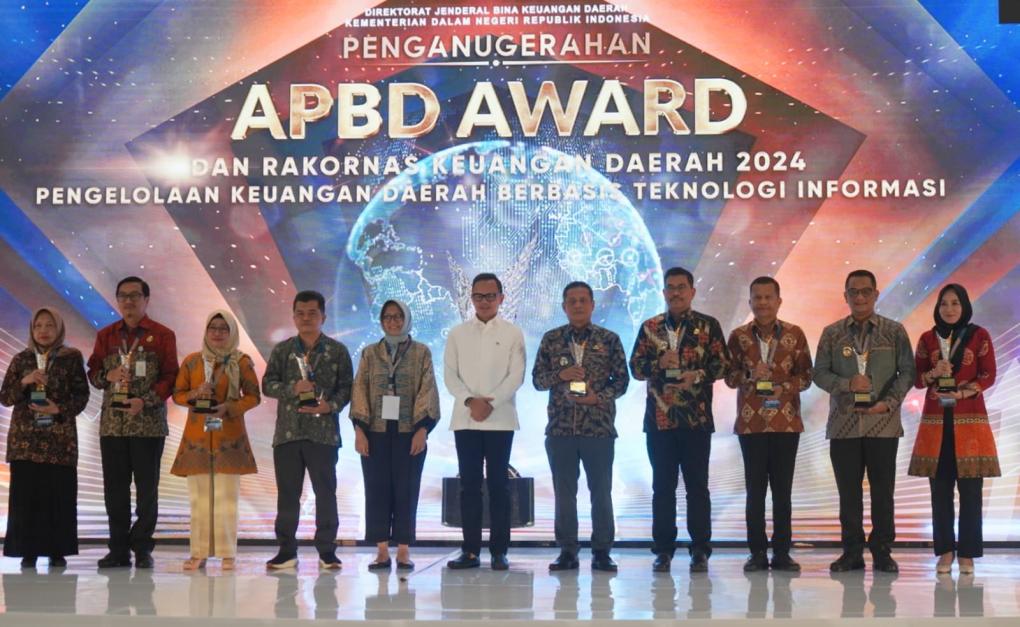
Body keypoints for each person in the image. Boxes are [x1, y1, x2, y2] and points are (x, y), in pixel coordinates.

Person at [813, 269, 914, 573]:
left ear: (876, 294)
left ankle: (882, 551)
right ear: (845, 296)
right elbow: (819, 374)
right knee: (848, 494)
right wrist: (847, 384)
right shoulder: (832, 333)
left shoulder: (894, 331)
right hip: (844, 425)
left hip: (883, 424)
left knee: (883, 493)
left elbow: (908, 372)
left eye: (865, 291)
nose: (859, 297)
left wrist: (888, 403)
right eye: (853, 292)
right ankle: (852, 552)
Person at [629, 266, 728, 573]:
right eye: (670, 288)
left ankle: (700, 549)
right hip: (660, 422)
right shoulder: (650, 327)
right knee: (663, 488)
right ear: (664, 292)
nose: (676, 293)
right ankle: (663, 550)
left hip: (696, 421)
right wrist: (658, 363)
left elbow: (723, 365)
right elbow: (635, 368)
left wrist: (696, 375)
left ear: (692, 291)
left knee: (698, 488)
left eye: (681, 287)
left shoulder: (708, 326)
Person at [532, 281, 629, 572]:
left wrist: (598, 398)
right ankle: (567, 551)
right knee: (564, 494)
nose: (577, 305)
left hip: (598, 429)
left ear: (592, 305)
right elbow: (537, 380)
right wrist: (560, 374)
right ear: (564, 306)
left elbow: (622, 381)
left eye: (583, 300)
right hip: (560, 430)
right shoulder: (551, 339)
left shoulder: (609, 339)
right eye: (572, 301)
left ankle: (602, 552)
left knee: (601, 493)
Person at [87, 276, 179, 569]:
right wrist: (108, 376)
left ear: (146, 300)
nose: (128, 301)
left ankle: (142, 548)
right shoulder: (106, 335)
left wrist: (145, 400)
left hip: (147, 425)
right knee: (114, 490)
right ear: (117, 300)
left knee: (146, 490)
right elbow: (93, 374)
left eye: (135, 295)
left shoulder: (162, 335)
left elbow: (171, 377)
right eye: (123, 296)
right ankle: (117, 549)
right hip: (113, 426)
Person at [908, 284, 999, 575]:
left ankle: (967, 554)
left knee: (971, 493)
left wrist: (963, 392)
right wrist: (933, 373)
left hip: (970, 424)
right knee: (940, 493)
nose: (949, 309)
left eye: (955, 303)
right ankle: (945, 552)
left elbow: (989, 374)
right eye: (944, 303)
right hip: (936, 426)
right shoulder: (927, 338)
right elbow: (917, 379)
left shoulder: (979, 335)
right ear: (938, 307)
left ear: (965, 306)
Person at [724, 277, 813, 572]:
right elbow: (728, 377)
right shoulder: (738, 336)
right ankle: (757, 553)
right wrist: (750, 375)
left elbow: (807, 376)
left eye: (768, 297)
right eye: (757, 297)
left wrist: (783, 387)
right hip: (751, 425)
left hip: (786, 423)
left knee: (782, 492)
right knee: (755, 492)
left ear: (778, 301)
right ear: (750, 301)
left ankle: (782, 553)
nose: (762, 303)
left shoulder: (794, 334)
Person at [262, 290, 353, 570]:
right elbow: (267, 385)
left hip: (323, 433)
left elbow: (347, 388)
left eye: (312, 313)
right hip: (288, 433)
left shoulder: (337, 351)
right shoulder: (283, 350)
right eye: (300, 313)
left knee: (325, 493)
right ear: (293, 317)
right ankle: (286, 550)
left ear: (323, 316)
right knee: (288, 495)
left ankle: (327, 551)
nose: (306, 318)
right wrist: (293, 388)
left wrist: (330, 406)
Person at [444, 273, 526, 571]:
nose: (485, 302)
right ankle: (470, 551)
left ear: (501, 298)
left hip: (500, 418)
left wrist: (490, 402)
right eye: (479, 296)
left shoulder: (513, 333)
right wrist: (470, 401)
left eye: (491, 296)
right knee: (469, 486)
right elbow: (450, 375)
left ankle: (499, 551)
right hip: (466, 419)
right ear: (471, 299)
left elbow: (516, 375)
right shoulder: (457, 334)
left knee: (499, 486)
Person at [350, 300, 440, 571]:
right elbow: (359, 389)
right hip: (374, 433)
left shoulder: (421, 352)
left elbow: (428, 389)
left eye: (399, 316)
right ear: (381, 320)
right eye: (388, 317)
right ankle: (381, 551)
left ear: (407, 319)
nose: (393, 321)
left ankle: (402, 550)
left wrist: (422, 430)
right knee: (376, 490)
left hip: (409, 434)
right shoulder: (370, 353)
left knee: (406, 490)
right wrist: (359, 430)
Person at [170, 310, 260, 570]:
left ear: (232, 332)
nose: (218, 333)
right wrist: (194, 394)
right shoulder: (192, 361)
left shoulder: (242, 362)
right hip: (197, 440)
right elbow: (177, 394)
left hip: (228, 438)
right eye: (213, 328)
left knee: (226, 498)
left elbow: (253, 396)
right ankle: (198, 553)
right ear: (206, 331)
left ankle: (227, 553)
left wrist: (229, 407)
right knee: (198, 499)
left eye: (224, 328)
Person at [1, 307, 90, 568]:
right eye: (38, 325)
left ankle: (56, 550)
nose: (43, 331)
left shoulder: (71, 357)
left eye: (49, 325)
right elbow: (5, 397)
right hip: (25, 442)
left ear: (59, 328)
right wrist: (25, 381)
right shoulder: (21, 359)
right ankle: (27, 551)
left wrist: (58, 409)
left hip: (59, 441)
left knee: (58, 497)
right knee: (26, 498)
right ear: (32, 329)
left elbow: (82, 396)